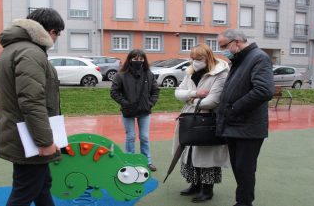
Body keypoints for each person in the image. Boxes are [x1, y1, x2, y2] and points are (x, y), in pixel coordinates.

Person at [0, 8, 65, 206]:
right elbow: (32, 100)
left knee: (41, 185)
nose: (56, 39)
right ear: (50, 31)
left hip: (24, 133)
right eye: (58, 34)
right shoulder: (30, 52)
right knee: (26, 191)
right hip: (29, 137)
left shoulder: (17, 49)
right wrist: (44, 141)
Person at [216, 29, 275, 206]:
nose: (222, 51)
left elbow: (264, 91)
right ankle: (241, 201)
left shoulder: (259, 58)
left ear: (237, 42)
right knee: (239, 169)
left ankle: (244, 203)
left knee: (245, 169)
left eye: (224, 46)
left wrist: (234, 108)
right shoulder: (240, 59)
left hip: (248, 127)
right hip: (235, 124)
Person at [172, 44, 230, 203]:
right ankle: (195, 184)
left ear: (208, 58)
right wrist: (194, 94)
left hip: (207, 119)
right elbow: (178, 92)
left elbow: (212, 101)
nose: (195, 61)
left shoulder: (221, 74)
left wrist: (190, 99)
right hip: (190, 118)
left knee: (206, 155)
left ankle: (207, 189)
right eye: (192, 58)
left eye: (199, 59)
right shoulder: (190, 72)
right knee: (190, 152)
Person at [110, 49, 160, 172]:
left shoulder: (149, 74)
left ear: (144, 60)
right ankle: (129, 160)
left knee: (144, 137)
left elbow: (155, 91)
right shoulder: (121, 75)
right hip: (128, 111)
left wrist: (150, 103)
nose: (138, 61)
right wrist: (125, 103)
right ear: (130, 59)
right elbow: (114, 92)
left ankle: (146, 161)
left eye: (141, 59)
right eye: (135, 59)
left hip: (144, 110)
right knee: (131, 136)